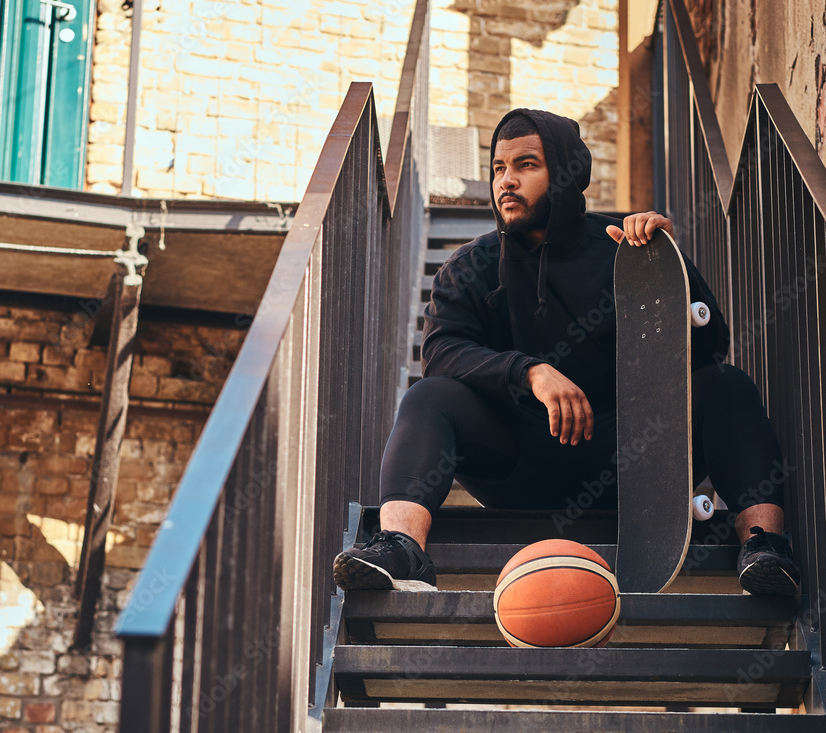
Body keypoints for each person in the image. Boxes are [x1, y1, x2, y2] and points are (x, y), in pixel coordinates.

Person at [332, 108, 801, 596]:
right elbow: (442, 351)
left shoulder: (625, 245)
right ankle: (402, 547)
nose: (506, 181)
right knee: (428, 396)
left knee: (727, 385)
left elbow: (709, 349)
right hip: (518, 462)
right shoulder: (471, 266)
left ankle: (764, 547)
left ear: (567, 174)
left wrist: (662, 275)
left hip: (633, 460)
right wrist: (529, 371)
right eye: (498, 168)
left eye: (526, 165)